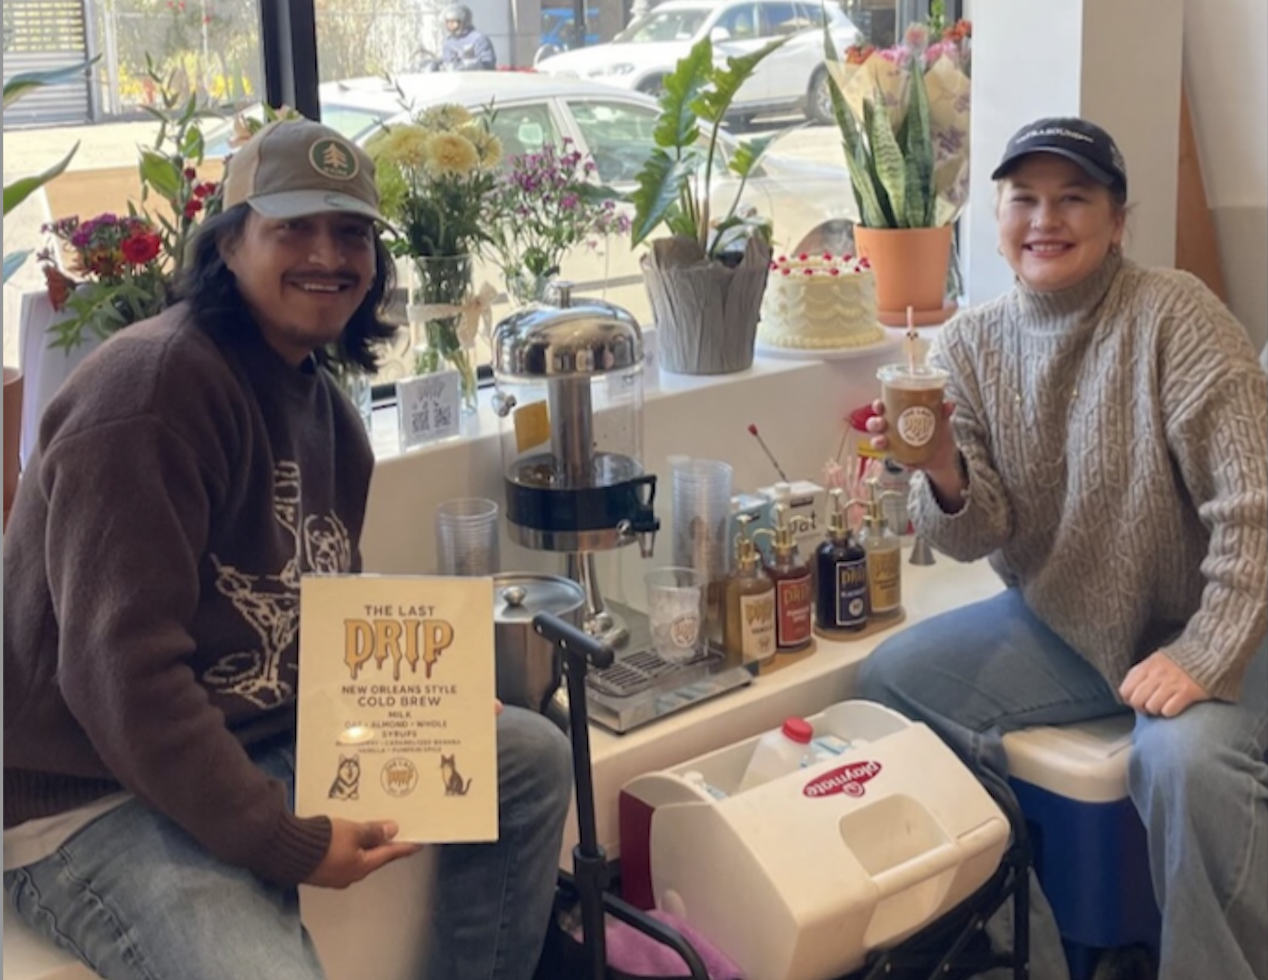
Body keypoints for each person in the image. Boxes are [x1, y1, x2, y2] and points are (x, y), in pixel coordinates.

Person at [2, 117, 572, 980]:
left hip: (255, 732)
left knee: (529, 757)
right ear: (228, 246)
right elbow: (120, 677)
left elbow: (306, 593)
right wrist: (285, 839)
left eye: (352, 233)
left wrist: (422, 691)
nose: (328, 255)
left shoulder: (328, 412)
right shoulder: (152, 392)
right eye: (292, 227)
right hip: (91, 791)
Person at [858, 116, 1268, 980]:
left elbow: (1255, 508)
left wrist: (1203, 653)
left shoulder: (1176, 315)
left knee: (1185, 761)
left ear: (1119, 220)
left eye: (1074, 198)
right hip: (1075, 626)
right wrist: (940, 468)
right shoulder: (967, 344)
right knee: (888, 686)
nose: (1046, 218)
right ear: (996, 219)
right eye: (1025, 199)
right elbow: (981, 534)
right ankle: (1029, 949)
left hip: (1228, 620)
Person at [441, 4, 497, 71]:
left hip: (476, 79)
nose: (450, 25)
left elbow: (487, 63)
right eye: (448, 22)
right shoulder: (449, 42)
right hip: (454, 79)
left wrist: (466, 66)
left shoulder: (478, 39)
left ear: (464, 21)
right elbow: (447, 62)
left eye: (453, 21)